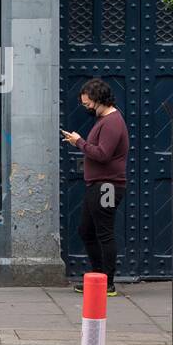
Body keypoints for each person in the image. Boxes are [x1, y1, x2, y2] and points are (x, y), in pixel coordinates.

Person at [62, 78, 129, 297]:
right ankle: (99, 277)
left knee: (104, 232)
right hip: (98, 185)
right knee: (86, 230)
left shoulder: (111, 122)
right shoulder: (104, 119)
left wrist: (79, 142)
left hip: (107, 186)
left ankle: (107, 282)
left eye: (88, 103)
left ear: (100, 100)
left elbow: (102, 154)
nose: (86, 108)